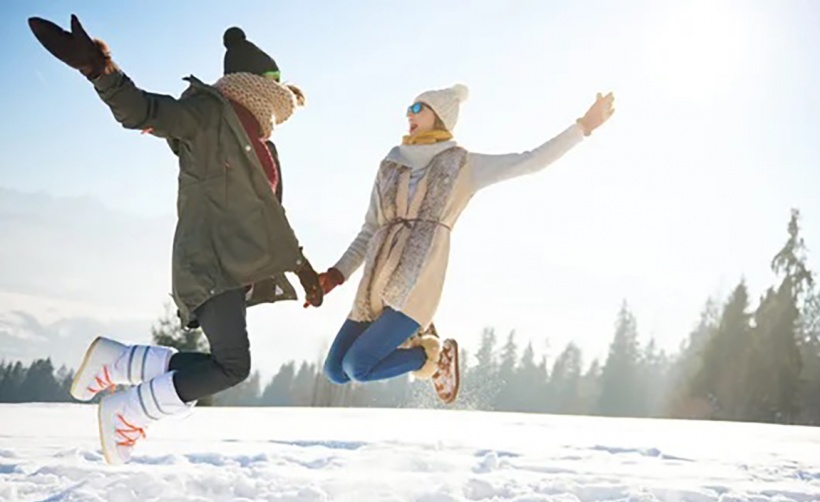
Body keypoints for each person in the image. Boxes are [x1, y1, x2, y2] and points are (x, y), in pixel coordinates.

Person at [27, 15, 323, 465]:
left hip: (233, 268)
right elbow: (144, 110)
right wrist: (99, 70)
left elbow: (269, 217)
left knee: (223, 366)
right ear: (262, 86)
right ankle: (127, 408)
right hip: (209, 264)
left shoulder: (263, 144)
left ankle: (119, 364)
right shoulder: (207, 117)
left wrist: (302, 267)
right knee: (231, 366)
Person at [313, 83, 615, 403]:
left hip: (418, 279)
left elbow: (530, 161)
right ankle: (423, 341)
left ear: (440, 116)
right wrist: (337, 274)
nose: (409, 115)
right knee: (336, 370)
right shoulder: (391, 164)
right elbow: (370, 229)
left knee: (358, 367)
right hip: (376, 281)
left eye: (418, 108)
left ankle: (433, 357)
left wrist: (582, 128)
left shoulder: (462, 165)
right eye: (408, 109)